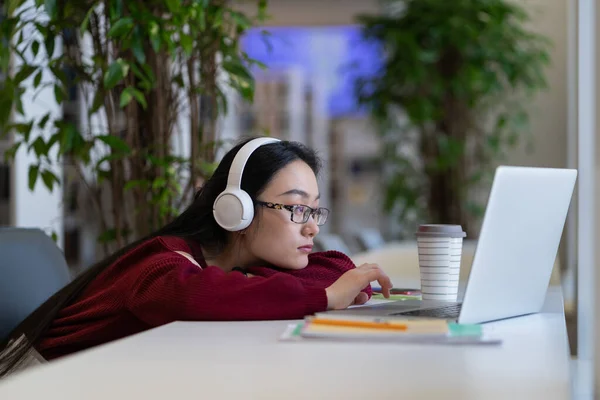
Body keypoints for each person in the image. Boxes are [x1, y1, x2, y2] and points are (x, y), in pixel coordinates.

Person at [0, 137, 392, 377]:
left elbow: (337, 268)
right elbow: (193, 296)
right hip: (34, 385)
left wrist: (336, 288)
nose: (312, 228)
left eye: (315, 211)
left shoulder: (238, 266)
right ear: (238, 210)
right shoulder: (161, 267)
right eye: (296, 209)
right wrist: (326, 297)